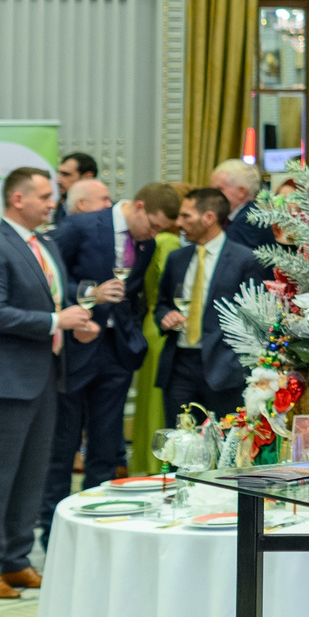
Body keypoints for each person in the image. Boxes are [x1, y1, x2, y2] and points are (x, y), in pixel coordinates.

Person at [0, 166, 97, 599]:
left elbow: (54, 301)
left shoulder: (45, 245)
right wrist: (56, 320)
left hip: (44, 375)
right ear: (17, 199)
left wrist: (74, 323)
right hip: (5, 380)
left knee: (33, 473)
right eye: (43, 196)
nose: (51, 202)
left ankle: (16, 560)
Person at [39, 182, 151, 538]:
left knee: (106, 444)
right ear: (140, 207)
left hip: (117, 350)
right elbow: (52, 276)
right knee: (64, 442)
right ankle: (52, 528)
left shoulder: (144, 240)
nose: (154, 234)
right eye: (155, 225)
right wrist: (89, 296)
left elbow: (135, 291)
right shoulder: (81, 225)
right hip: (76, 345)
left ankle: (99, 525)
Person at [155, 187, 268, 427]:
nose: (179, 222)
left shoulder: (244, 260)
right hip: (179, 366)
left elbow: (257, 318)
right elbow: (162, 303)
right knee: (179, 443)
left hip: (224, 368)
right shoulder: (177, 258)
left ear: (208, 218)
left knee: (225, 444)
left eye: (186, 216)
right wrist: (165, 316)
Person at [123, 184, 183, 474]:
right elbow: (169, 289)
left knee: (149, 398)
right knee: (160, 398)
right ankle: (159, 463)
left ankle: (145, 462)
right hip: (164, 326)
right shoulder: (168, 242)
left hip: (149, 323)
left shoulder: (151, 242)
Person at [210, 159, 271, 250]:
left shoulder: (246, 222)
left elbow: (235, 261)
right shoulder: (252, 213)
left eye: (219, 190)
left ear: (241, 192)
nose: (213, 196)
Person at [53, 151, 97, 226]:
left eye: (66, 174)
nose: (58, 180)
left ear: (87, 177)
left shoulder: (103, 210)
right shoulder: (61, 206)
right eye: (59, 173)